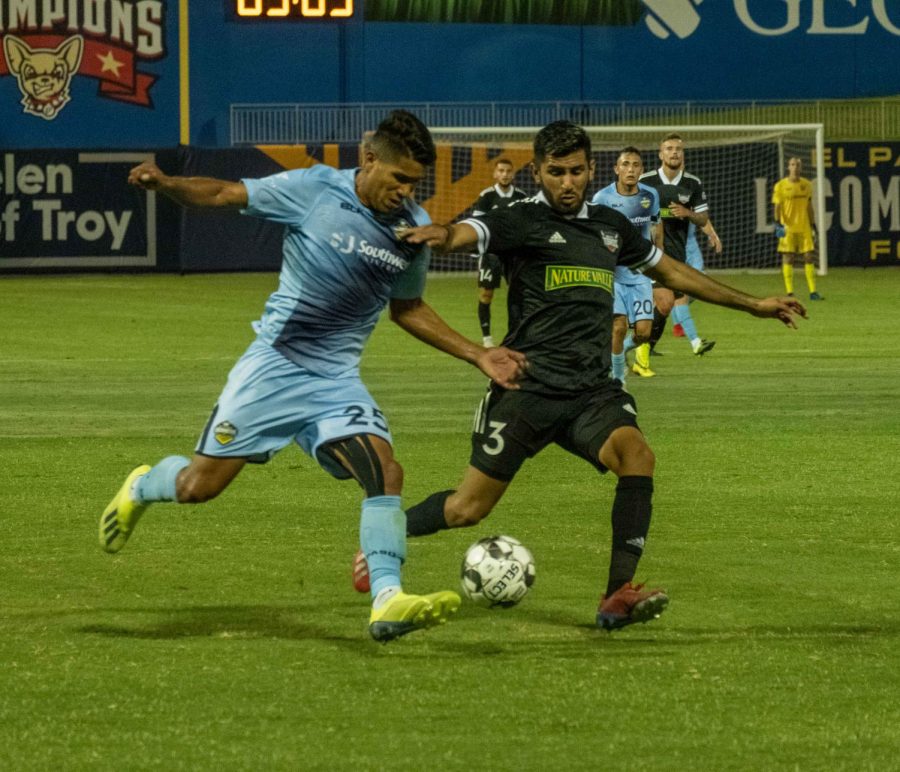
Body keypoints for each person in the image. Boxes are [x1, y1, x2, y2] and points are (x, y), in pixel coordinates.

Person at [355, 121, 806, 630]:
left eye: (575, 171)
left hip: (591, 390)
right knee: (466, 510)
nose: (567, 182)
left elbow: (674, 273)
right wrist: (442, 234)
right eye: (555, 172)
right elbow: (467, 232)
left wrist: (754, 305)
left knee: (637, 455)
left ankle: (617, 595)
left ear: (592, 170)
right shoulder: (517, 218)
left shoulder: (611, 227)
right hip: (526, 388)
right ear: (537, 172)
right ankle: (382, 543)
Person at [98, 110, 527, 643]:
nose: (405, 192)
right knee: (197, 487)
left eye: (414, 184)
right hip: (274, 370)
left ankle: (388, 600)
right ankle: (143, 485)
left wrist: (476, 354)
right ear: (369, 158)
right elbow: (224, 194)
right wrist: (165, 183)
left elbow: (408, 308)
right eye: (398, 179)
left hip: (335, 383)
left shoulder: (409, 228)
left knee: (386, 472)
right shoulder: (315, 189)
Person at [640, 133, 716, 357]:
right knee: (665, 303)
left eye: (678, 149)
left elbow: (702, 219)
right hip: (649, 255)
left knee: (667, 305)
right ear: (660, 154)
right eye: (669, 148)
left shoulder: (692, 183)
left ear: (683, 154)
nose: (674, 152)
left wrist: (687, 213)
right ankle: (692, 343)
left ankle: (639, 350)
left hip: (677, 255)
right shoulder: (645, 181)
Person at [591, 147, 662, 381]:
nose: (630, 169)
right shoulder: (602, 198)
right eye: (625, 164)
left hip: (640, 274)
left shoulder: (650, 196)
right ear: (616, 169)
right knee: (618, 327)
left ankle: (615, 355)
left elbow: (656, 226)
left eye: (635, 165)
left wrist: (659, 259)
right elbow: (593, 234)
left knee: (643, 334)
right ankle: (619, 380)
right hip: (613, 274)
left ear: (641, 170)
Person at [472, 158, 528, 346]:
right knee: (486, 295)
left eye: (508, 171)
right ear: (495, 174)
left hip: (513, 255)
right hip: (491, 255)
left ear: (513, 174)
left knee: (517, 295)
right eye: (501, 171)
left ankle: (516, 334)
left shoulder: (521, 196)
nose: (504, 174)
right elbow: (477, 225)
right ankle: (487, 338)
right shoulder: (486, 196)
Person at [773, 156, 823, 301]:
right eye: (793, 164)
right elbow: (777, 207)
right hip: (788, 227)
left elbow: (809, 207)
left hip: (804, 227)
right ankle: (789, 292)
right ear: (788, 167)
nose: (795, 168)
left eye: (798, 165)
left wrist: (813, 225)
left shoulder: (807, 185)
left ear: (801, 168)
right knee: (788, 258)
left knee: (809, 256)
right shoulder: (781, 186)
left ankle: (813, 292)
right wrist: (778, 224)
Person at [673, 219, 723, 337]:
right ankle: (678, 325)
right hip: (675, 246)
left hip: (691, 246)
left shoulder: (691, 202)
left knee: (700, 283)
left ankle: (677, 308)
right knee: (679, 287)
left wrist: (712, 235)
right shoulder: (666, 203)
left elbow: (702, 219)